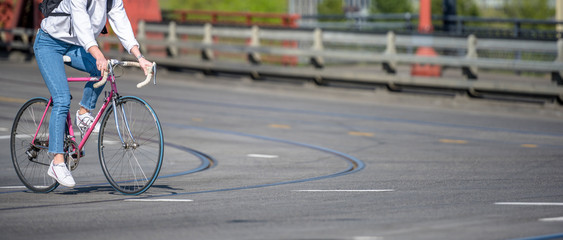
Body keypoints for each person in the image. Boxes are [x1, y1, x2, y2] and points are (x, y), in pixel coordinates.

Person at [33, 0, 153, 188]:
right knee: (62, 99)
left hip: (75, 47)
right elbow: (82, 26)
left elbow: (122, 24)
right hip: (49, 44)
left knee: (102, 71)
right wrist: (98, 55)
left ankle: (83, 113)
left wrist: (140, 57)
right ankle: (57, 163)